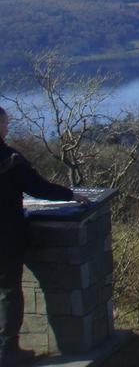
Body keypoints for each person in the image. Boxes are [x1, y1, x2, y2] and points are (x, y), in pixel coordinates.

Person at [0, 106, 89, 367]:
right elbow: (38, 187)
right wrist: (71, 195)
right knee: (9, 292)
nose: (7, 128)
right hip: (5, 237)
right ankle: (7, 351)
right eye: (5, 124)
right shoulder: (9, 159)